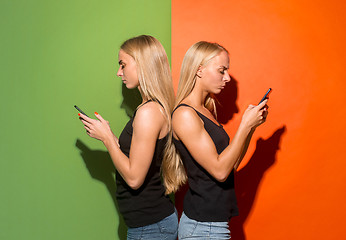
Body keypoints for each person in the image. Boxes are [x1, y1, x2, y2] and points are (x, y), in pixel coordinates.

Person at [78, 35, 178, 240]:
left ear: (142, 64)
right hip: (150, 224)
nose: (118, 72)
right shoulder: (151, 108)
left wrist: (107, 139)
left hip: (150, 227)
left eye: (123, 65)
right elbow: (135, 158)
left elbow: (134, 178)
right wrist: (110, 136)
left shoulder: (148, 112)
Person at [167, 41, 269, 239]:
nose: (227, 77)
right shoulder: (185, 115)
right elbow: (220, 171)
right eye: (222, 71)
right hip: (203, 227)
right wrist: (244, 126)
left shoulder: (205, 110)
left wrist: (250, 129)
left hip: (213, 224)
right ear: (199, 70)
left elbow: (231, 165)